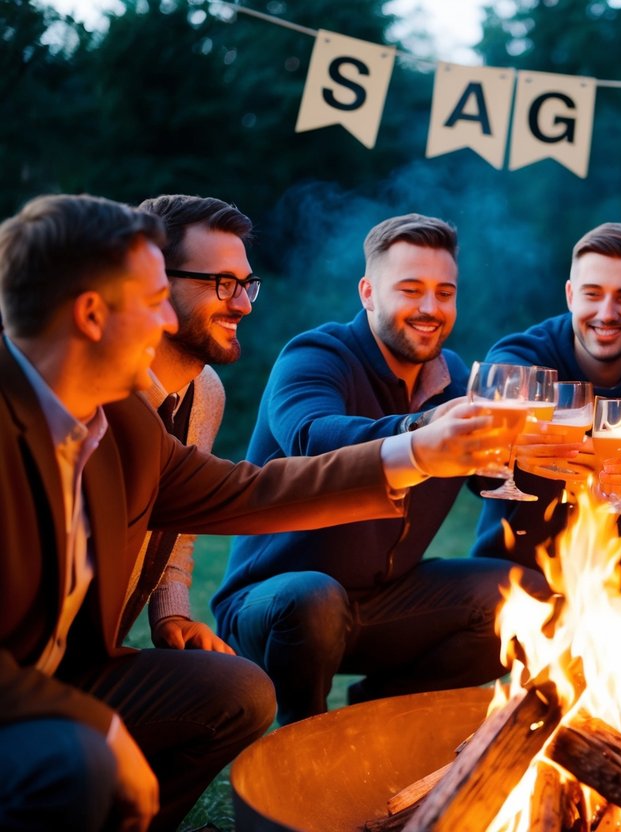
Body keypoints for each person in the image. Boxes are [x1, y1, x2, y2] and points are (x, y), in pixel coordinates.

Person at [0, 194, 504, 832]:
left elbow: (248, 492)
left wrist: (419, 451)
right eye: (153, 299)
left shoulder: (124, 421)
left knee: (234, 692)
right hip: (21, 694)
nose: (164, 323)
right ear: (92, 313)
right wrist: (94, 724)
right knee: (77, 762)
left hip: (71, 672)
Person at [212, 213, 545, 726]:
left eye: (445, 292)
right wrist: (425, 427)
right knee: (314, 596)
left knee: (523, 598)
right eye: (411, 290)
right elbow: (311, 436)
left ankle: (379, 712)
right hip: (276, 604)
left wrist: (560, 460)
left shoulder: (457, 377)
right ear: (368, 292)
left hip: (386, 602)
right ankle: (304, 743)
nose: (431, 309)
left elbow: (491, 474)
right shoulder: (315, 354)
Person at [469, 222, 621, 589]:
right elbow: (479, 460)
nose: (607, 312)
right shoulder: (523, 356)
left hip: (606, 592)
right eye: (592, 294)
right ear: (570, 295)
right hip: (507, 583)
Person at [114, 194, 257, 654]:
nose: (242, 305)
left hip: (103, 653)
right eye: (221, 283)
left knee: (238, 686)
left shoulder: (206, 391)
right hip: (32, 668)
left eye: (246, 283)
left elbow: (178, 524)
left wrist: (171, 614)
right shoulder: (99, 394)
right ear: (152, 284)